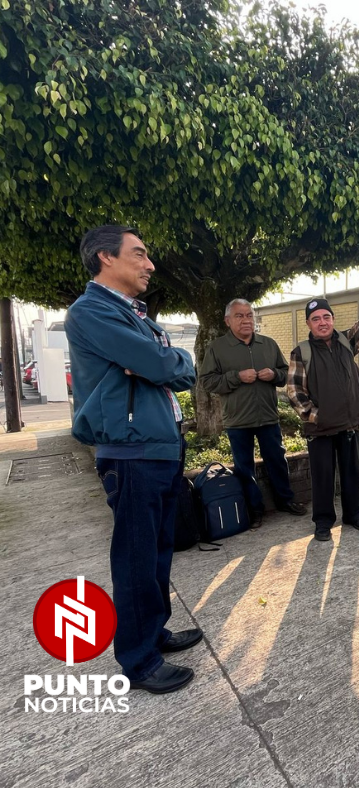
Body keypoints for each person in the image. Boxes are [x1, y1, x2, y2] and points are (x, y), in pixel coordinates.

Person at [65, 225, 200, 695]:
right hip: (131, 453)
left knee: (160, 552)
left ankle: (153, 632)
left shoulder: (134, 317)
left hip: (158, 447)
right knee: (136, 557)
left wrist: (163, 355)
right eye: (139, 254)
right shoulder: (92, 311)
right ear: (106, 258)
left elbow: (174, 368)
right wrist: (162, 356)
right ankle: (139, 661)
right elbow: (164, 365)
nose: (150, 264)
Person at [287, 283, 359, 541]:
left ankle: (354, 514)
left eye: (326, 317)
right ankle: (323, 522)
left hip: (349, 423)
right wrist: (316, 416)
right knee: (323, 477)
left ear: (333, 319)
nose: (322, 322)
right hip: (321, 427)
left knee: (352, 472)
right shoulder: (301, 351)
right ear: (308, 324)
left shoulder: (347, 341)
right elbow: (294, 391)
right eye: (316, 319)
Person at [199, 299, 307, 526]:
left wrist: (274, 375)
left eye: (249, 315)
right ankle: (254, 510)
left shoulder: (268, 344)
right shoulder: (217, 348)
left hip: (267, 415)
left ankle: (285, 500)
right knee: (244, 467)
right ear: (228, 321)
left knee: (277, 460)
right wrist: (236, 377)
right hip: (237, 420)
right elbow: (207, 382)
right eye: (239, 316)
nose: (246, 320)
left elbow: (286, 372)